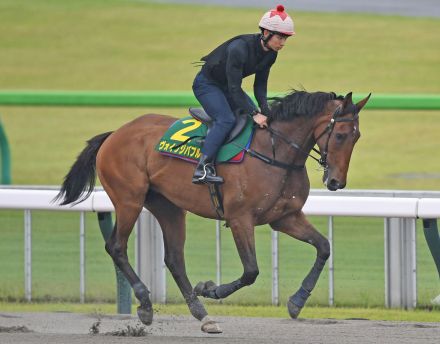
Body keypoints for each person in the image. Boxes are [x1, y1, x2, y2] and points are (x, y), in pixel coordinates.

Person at [192, 4, 295, 184]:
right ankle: (203, 168)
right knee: (226, 119)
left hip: (227, 87)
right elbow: (234, 88)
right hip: (207, 85)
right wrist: (254, 113)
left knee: (254, 115)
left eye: (285, 39)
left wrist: (265, 110)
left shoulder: (271, 54)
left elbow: (260, 86)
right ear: (265, 33)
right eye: (280, 37)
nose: (283, 43)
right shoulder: (239, 49)